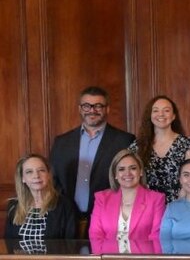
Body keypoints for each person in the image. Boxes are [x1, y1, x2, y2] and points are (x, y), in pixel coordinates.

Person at [49, 86, 135, 217]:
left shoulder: (125, 141)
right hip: (67, 216)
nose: (92, 111)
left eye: (98, 106)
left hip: (108, 215)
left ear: (107, 109)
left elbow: (131, 180)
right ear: (80, 109)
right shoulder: (61, 142)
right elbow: (53, 180)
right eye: (86, 106)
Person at [129, 95, 190, 203]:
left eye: (166, 110)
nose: (161, 114)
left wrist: (177, 206)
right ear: (150, 115)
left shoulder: (187, 144)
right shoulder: (137, 146)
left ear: (173, 116)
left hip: (179, 205)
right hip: (146, 206)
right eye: (156, 111)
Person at [88, 149, 166, 241]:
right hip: (109, 254)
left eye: (133, 168)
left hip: (143, 255)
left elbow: (156, 237)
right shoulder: (102, 198)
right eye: (121, 169)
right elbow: (95, 235)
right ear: (115, 174)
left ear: (140, 171)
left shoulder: (156, 199)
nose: (127, 173)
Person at [5, 154, 78, 240]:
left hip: (55, 253)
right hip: (19, 253)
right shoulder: (13, 206)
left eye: (41, 170)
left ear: (48, 175)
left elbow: (70, 245)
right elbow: (8, 243)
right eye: (29, 172)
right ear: (22, 178)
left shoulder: (65, 205)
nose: (36, 176)